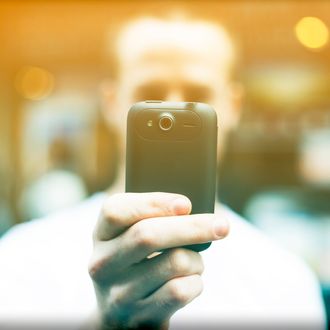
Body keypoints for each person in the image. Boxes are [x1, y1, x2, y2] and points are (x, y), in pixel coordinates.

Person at [0, 15, 326, 330]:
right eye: (150, 93)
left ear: (233, 106)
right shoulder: (22, 259)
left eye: (198, 96)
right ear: (111, 103)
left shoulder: (284, 280)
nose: (172, 107)